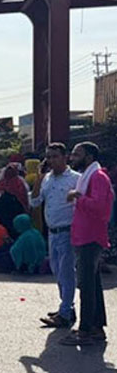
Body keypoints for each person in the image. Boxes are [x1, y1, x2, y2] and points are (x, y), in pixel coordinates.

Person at [61, 142, 114, 346]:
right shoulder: (88, 176)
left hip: (90, 237)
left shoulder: (98, 177)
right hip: (85, 236)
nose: (72, 158)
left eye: (77, 154)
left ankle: (85, 332)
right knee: (92, 284)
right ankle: (96, 328)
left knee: (86, 286)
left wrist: (78, 197)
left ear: (89, 157)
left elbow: (100, 207)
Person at [32, 143, 81, 328]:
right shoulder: (47, 179)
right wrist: (39, 177)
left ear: (64, 157)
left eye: (55, 156)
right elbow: (35, 201)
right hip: (52, 232)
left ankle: (65, 312)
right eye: (49, 157)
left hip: (68, 231)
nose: (51, 160)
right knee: (57, 271)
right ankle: (66, 307)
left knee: (66, 273)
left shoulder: (76, 179)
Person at [0, 163, 30, 238]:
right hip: (2, 209)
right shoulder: (2, 181)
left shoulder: (19, 182)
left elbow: (23, 196)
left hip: (14, 209)